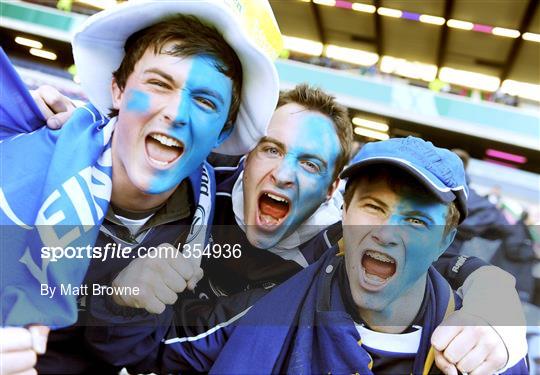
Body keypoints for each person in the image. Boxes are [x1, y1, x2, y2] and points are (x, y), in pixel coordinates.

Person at [83, 88, 525, 374]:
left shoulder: (332, 246)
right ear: (246, 156)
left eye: (310, 164)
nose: (284, 175)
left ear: (332, 193)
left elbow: (433, 259)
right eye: (271, 149)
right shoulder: (182, 194)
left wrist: (495, 290)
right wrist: (86, 135)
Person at [0, 0, 281, 373]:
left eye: (204, 101)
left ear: (223, 132)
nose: (177, 114)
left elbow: (128, 357)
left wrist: (120, 303)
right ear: (117, 90)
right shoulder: (24, 164)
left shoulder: (204, 215)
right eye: (158, 83)